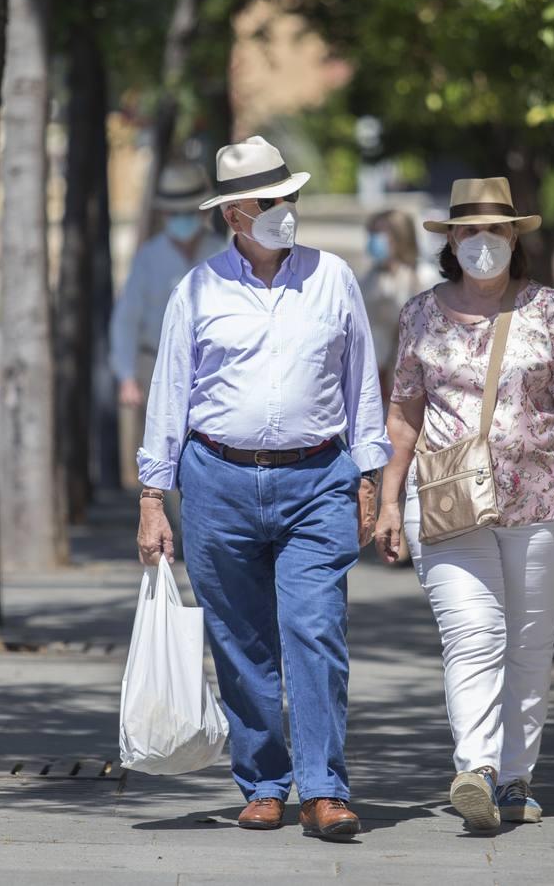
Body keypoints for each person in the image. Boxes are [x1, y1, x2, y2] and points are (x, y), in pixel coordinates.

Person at [136, 136, 391, 840]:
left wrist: (371, 474)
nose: (285, 209)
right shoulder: (198, 290)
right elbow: (170, 394)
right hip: (216, 481)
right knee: (241, 641)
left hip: (317, 478)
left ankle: (324, 788)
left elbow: (360, 379)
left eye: (290, 196)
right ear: (233, 214)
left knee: (315, 631)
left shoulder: (333, 278)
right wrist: (153, 497)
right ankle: (263, 782)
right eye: (268, 200)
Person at [373, 177, 554, 830]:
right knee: (474, 634)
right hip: (449, 503)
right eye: (470, 231)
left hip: (543, 506)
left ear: (515, 238)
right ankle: (476, 768)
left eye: (496, 231)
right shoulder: (421, 313)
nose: (483, 243)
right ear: (451, 239)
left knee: (530, 646)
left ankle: (514, 779)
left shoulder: (548, 310)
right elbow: (403, 416)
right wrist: (388, 500)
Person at [110, 161, 225, 492]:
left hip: (209, 365)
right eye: (175, 212)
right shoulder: (149, 256)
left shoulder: (219, 251)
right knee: (163, 453)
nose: (182, 219)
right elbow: (127, 318)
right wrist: (127, 375)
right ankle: (176, 531)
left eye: (188, 211)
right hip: (154, 363)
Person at [359, 208, 423, 403]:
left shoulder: (421, 277)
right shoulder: (368, 279)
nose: (375, 239)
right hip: (374, 379)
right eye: (373, 233)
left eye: (381, 233)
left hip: (408, 380)